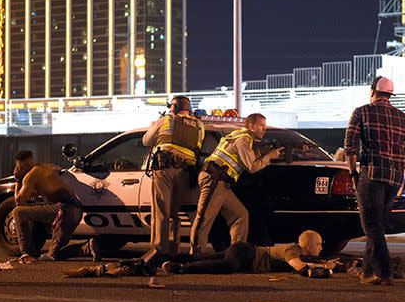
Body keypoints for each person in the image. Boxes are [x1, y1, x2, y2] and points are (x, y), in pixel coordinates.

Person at [344, 76, 405, 286]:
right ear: (390, 95)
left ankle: (385, 272)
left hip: (372, 174)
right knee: (377, 225)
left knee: (371, 225)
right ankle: (367, 272)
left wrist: (352, 172)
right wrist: (401, 171)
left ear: (372, 91)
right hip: (394, 179)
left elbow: (350, 145)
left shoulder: (362, 112)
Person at [189, 113, 282, 256]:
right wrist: (269, 156)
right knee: (204, 218)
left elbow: (250, 156)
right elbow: (251, 167)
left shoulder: (242, 137)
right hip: (214, 179)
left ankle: (237, 253)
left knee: (241, 215)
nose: (264, 129)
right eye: (261, 125)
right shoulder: (243, 139)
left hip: (222, 183)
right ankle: (195, 255)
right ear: (251, 126)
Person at [141, 96, 205, 263]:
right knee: (174, 213)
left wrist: (153, 127)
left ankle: (158, 250)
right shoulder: (199, 125)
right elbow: (197, 148)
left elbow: (146, 141)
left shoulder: (165, 120)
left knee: (161, 210)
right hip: (184, 172)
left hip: (164, 169)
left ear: (174, 107)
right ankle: (173, 249)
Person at [12, 150, 83, 262]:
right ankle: (88, 247)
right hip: (76, 210)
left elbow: (19, 201)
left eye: (17, 165)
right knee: (53, 254)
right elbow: (57, 171)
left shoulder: (30, 176)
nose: (18, 168)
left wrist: (17, 180)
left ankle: (27, 253)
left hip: (64, 211)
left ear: (21, 163)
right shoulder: (48, 167)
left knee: (18, 212)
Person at [162, 230, 333, 274]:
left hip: (244, 250)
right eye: (318, 244)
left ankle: (166, 258)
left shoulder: (297, 252)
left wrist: (325, 263)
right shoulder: (291, 251)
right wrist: (322, 270)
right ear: (308, 245)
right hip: (245, 256)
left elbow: (303, 262)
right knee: (225, 266)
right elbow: (300, 267)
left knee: (203, 257)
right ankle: (180, 268)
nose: (321, 247)